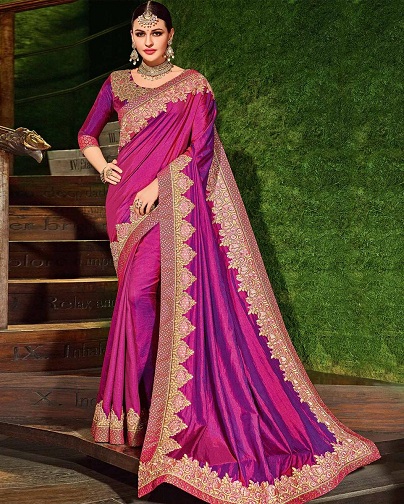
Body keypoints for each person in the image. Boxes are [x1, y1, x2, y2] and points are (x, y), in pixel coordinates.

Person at [78, 2, 380, 502]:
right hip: (124, 203)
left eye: (156, 32)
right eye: (140, 33)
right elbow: (87, 132)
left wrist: (159, 184)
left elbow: (198, 151)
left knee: (140, 298)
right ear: (131, 37)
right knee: (137, 302)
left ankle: (168, 411)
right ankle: (139, 412)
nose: (148, 41)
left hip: (165, 201)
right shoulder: (116, 84)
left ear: (170, 35)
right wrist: (102, 166)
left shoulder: (193, 85)